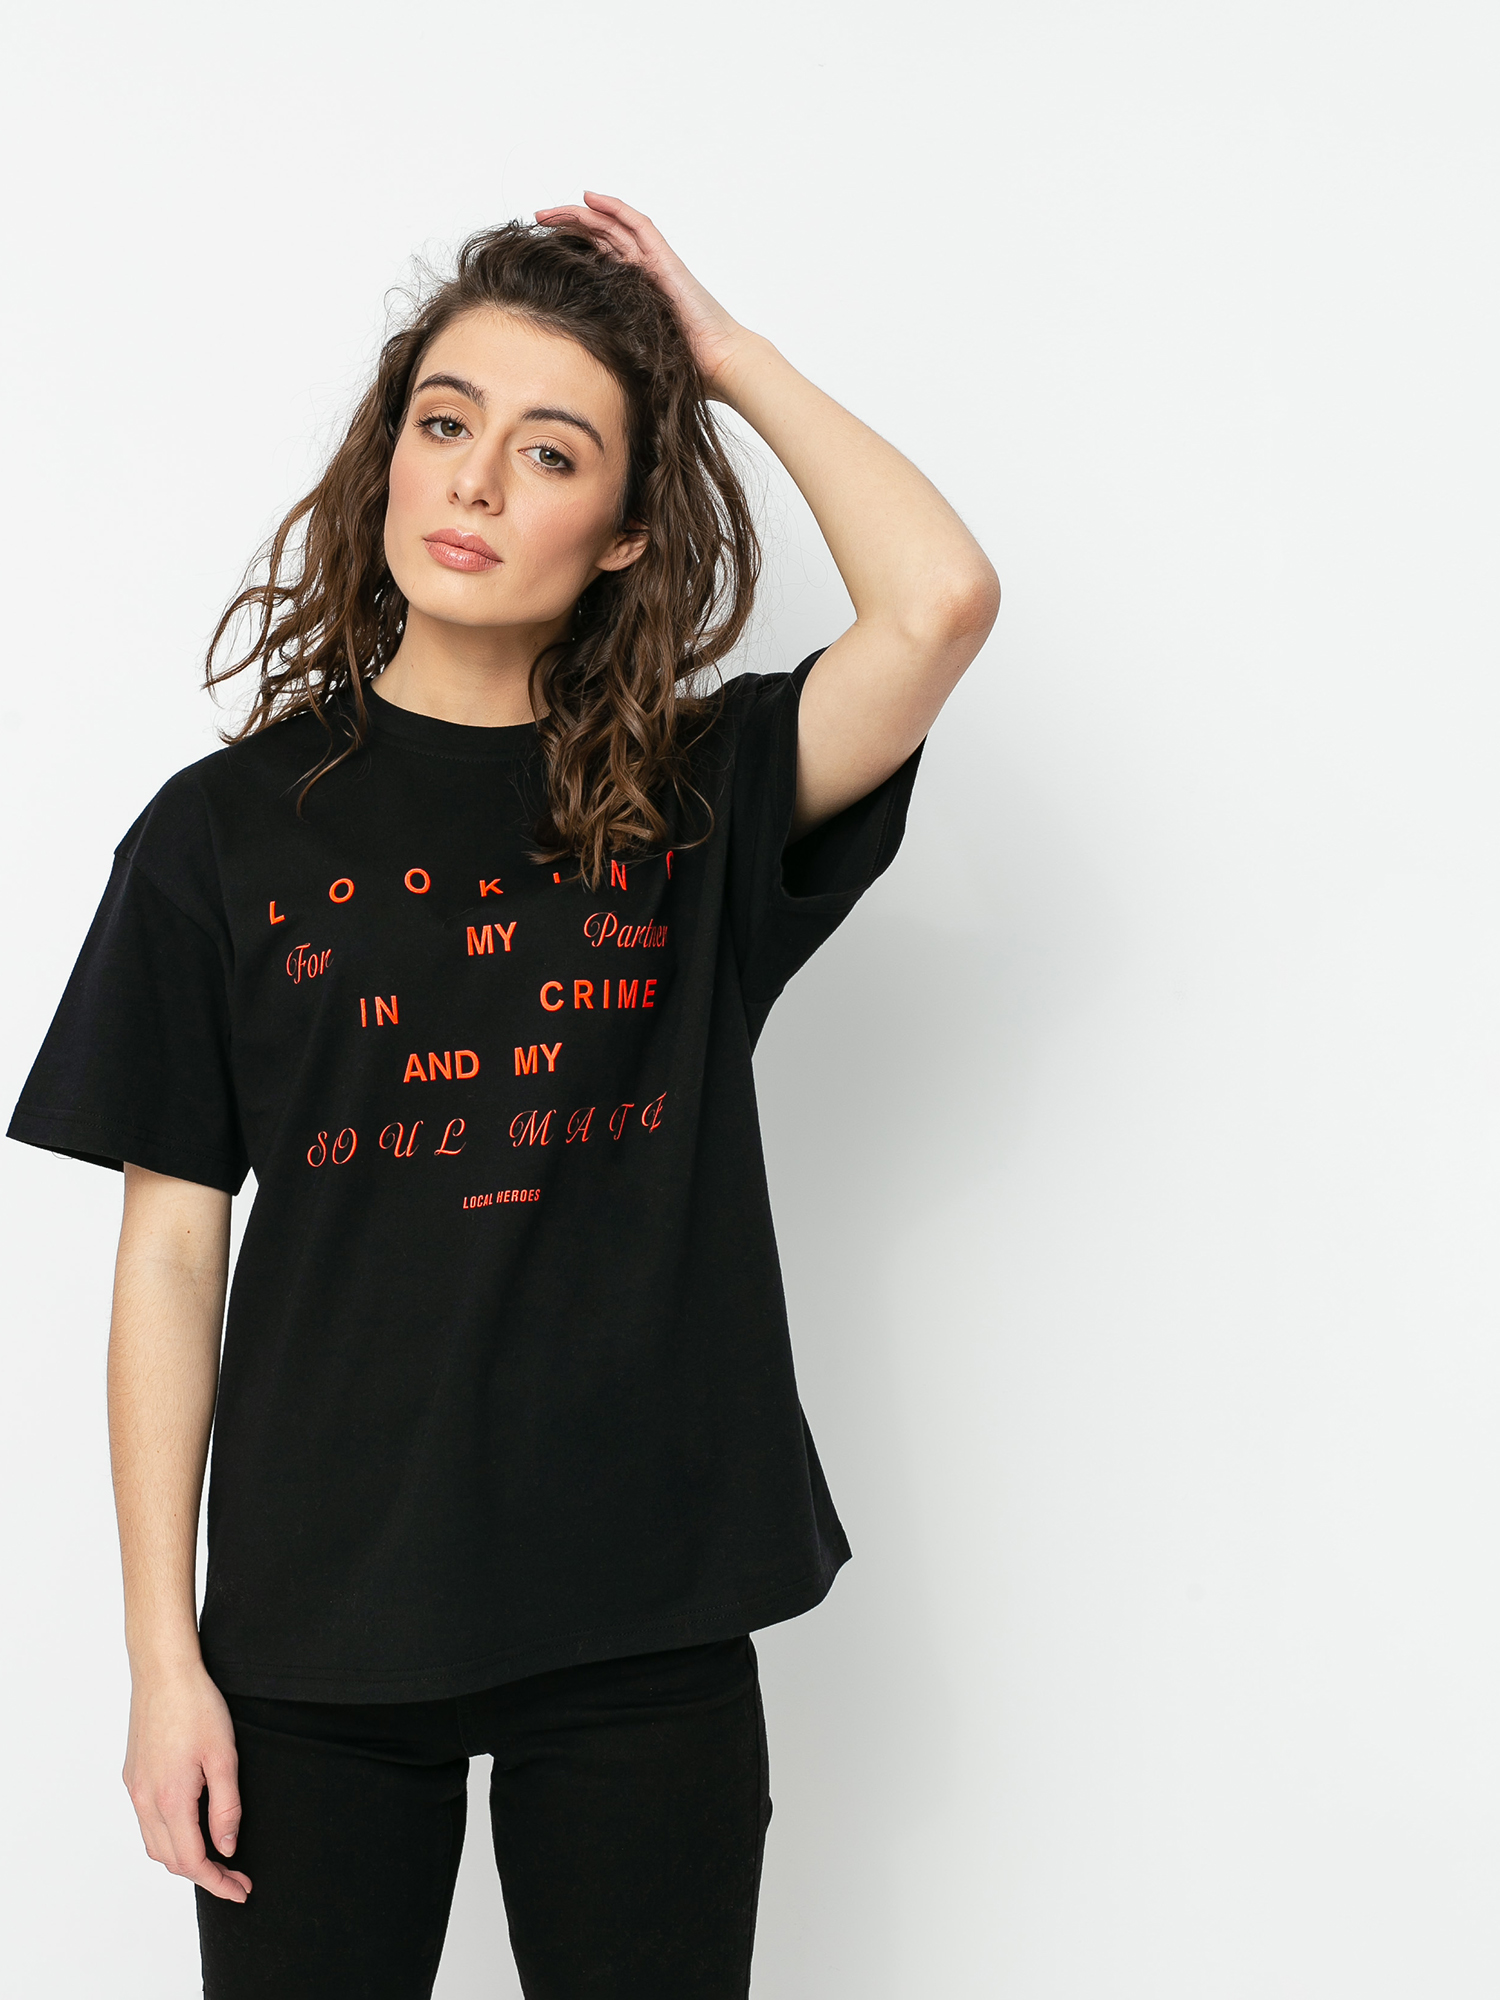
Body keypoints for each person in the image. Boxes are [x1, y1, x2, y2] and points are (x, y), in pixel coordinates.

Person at [8, 193, 998, 1998]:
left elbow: (939, 602)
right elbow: (169, 1257)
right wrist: (164, 1660)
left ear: (623, 533)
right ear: (388, 457)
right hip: (317, 1624)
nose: (473, 479)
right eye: (445, 422)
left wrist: (723, 359)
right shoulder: (219, 838)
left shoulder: (696, 804)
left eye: (551, 451)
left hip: (642, 1615)